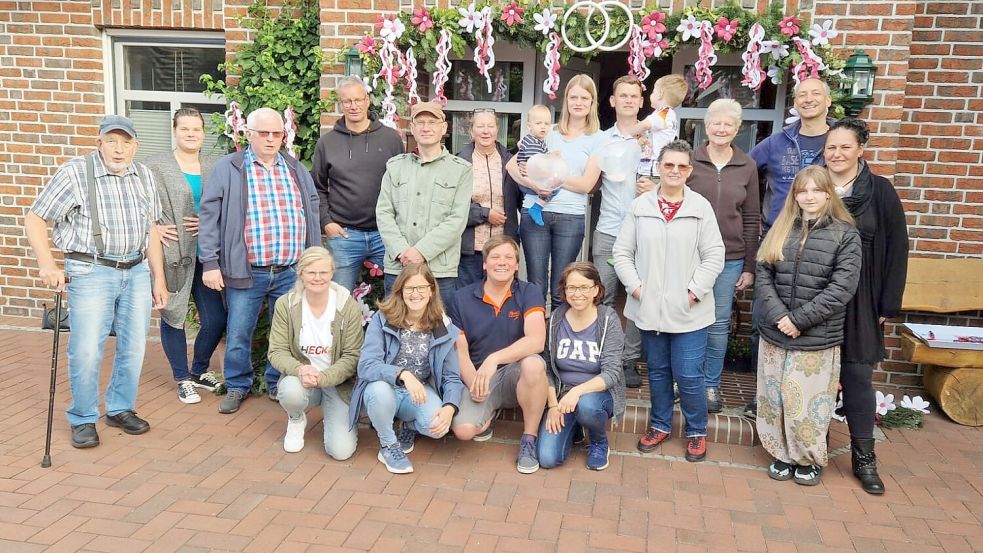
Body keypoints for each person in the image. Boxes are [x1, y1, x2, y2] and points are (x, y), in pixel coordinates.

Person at [24, 114, 168, 448]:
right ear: (99, 142)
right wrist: (47, 264)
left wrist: (158, 278)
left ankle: (119, 409)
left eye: (126, 142)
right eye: (112, 141)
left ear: (136, 145)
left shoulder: (144, 176)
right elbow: (35, 218)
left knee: (133, 346)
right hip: (90, 271)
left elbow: (152, 232)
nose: (119, 150)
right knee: (87, 349)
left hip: (136, 271)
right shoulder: (75, 173)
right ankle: (84, 417)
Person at [198, 107, 322, 414]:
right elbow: (209, 216)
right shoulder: (230, 168)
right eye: (263, 133)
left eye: (276, 133)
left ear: (284, 135)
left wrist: (313, 260)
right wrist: (210, 263)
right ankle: (238, 385)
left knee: (287, 333)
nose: (270, 139)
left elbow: (313, 213)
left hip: (290, 272)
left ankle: (277, 382)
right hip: (246, 271)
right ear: (248, 134)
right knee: (240, 330)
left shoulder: (294, 169)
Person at [613, 140, 724, 462]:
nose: (675, 171)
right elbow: (622, 252)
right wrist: (635, 288)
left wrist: (695, 291)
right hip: (649, 307)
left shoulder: (700, 207)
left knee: (689, 373)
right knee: (659, 371)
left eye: (682, 166)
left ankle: (696, 431)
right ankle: (660, 425)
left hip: (690, 310)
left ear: (689, 171)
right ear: (659, 168)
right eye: (669, 165)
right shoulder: (640, 206)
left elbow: (714, 254)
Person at [754, 165, 861, 486]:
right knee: (775, 399)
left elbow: (842, 287)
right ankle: (781, 453)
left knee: (807, 402)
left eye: (817, 190)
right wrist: (779, 316)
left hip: (816, 336)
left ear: (829, 193)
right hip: (776, 333)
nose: (809, 196)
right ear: (795, 195)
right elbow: (763, 274)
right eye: (803, 190)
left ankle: (808, 457)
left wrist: (799, 320)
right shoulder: (780, 228)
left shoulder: (845, 234)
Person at [825, 118, 909, 495]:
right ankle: (809, 446)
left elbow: (897, 248)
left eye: (845, 147)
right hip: (817, 294)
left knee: (857, 376)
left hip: (862, 298)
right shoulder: (815, 186)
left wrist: (887, 303)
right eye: (831, 147)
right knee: (813, 374)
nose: (837, 154)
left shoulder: (880, 191)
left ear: (861, 150)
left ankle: (864, 457)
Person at [745, 77, 834, 419]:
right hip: (778, 238)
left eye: (815, 94)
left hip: (822, 239)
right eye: (802, 95)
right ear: (794, 103)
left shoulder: (836, 142)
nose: (808, 100)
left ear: (827, 100)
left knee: (813, 320)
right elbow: (745, 173)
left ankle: (807, 399)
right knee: (764, 320)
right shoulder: (777, 142)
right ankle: (762, 397)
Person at [564, 75, 656, 388]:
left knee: (636, 297)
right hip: (608, 229)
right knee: (600, 294)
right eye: (623, 96)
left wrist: (656, 186)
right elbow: (583, 175)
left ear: (641, 102)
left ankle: (628, 360)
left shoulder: (657, 136)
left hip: (647, 231)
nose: (629, 100)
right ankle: (598, 354)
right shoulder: (601, 140)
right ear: (612, 102)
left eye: (634, 96)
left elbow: (677, 176)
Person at [348, 263, 464, 474]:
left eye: (421, 287)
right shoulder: (383, 319)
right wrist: (402, 374)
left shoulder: (441, 327)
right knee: (378, 390)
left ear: (431, 291)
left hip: (418, 393)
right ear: (400, 291)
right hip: (385, 389)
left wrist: (450, 407)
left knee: (437, 428)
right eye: (409, 288)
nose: (415, 293)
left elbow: (452, 377)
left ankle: (408, 426)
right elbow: (366, 366)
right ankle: (388, 445)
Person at [448, 235, 549, 474]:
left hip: (516, 373)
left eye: (508, 258)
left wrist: (494, 359)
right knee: (463, 431)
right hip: (480, 375)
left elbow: (536, 340)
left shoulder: (529, 292)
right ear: (484, 264)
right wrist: (474, 383)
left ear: (516, 265)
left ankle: (529, 438)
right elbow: (460, 351)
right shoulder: (461, 297)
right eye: (495, 257)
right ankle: (490, 411)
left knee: (534, 365)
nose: (501, 262)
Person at [145, 107, 225, 404]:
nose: (191, 134)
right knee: (173, 314)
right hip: (172, 252)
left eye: (196, 129)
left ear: (204, 133)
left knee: (215, 318)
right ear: (175, 131)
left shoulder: (214, 166)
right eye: (184, 129)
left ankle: (199, 369)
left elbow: (225, 207)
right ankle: (181, 377)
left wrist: (208, 222)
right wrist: (152, 228)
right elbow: (141, 206)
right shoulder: (155, 166)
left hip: (205, 253)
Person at [507, 75, 605, 309]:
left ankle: (557, 341)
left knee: (564, 287)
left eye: (584, 97)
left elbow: (585, 185)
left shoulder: (599, 139)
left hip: (571, 217)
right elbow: (512, 166)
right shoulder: (545, 130)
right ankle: (536, 343)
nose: (578, 102)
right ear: (566, 100)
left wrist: (551, 175)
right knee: (535, 285)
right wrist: (535, 185)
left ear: (592, 102)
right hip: (535, 213)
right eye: (573, 97)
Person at [687, 99, 761, 413]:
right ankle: (686, 380)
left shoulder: (747, 166)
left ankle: (710, 386)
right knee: (687, 320)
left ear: (737, 128)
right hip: (689, 254)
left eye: (728, 124)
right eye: (716, 122)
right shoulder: (690, 160)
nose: (721, 128)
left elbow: (751, 216)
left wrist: (748, 264)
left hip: (730, 257)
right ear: (706, 126)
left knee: (717, 324)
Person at [311, 76, 404, 292]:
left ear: (368, 100)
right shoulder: (327, 143)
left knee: (398, 296)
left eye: (358, 100)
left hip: (386, 234)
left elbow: (403, 184)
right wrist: (326, 222)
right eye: (347, 101)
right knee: (339, 300)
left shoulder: (391, 139)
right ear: (340, 104)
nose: (353, 106)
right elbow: (317, 187)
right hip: (345, 235)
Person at [268, 247, 362, 459]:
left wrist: (325, 377)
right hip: (302, 379)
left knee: (341, 452)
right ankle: (295, 418)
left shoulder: (347, 305)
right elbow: (277, 351)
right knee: (289, 391)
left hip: (337, 383)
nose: (317, 278)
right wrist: (300, 370)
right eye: (311, 272)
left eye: (323, 272)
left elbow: (352, 355)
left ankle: (338, 415)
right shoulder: (286, 304)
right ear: (300, 273)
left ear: (332, 273)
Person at [376, 101, 473, 308]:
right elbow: (384, 212)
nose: (426, 127)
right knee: (395, 326)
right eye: (420, 122)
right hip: (398, 266)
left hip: (439, 269)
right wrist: (402, 250)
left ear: (444, 128)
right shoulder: (395, 167)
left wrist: (421, 251)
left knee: (439, 328)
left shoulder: (461, 170)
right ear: (412, 128)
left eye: (432, 122)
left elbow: (456, 220)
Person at [538, 262, 626, 471]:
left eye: (584, 287)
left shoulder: (608, 320)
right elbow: (548, 367)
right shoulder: (556, 319)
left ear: (596, 289)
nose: (577, 293)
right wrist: (552, 406)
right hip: (563, 395)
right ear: (564, 290)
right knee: (547, 458)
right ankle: (575, 427)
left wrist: (576, 392)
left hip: (598, 395)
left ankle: (598, 443)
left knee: (587, 406)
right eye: (572, 288)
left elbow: (612, 373)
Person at [455, 109, 520, 288]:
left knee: (504, 297)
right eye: (480, 126)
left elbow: (523, 199)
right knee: (469, 296)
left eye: (490, 126)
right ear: (472, 131)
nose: (485, 131)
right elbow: (452, 207)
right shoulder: (459, 162)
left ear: (497, 130)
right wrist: (484, 213)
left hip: (503, 247)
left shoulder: (510, 161)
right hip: (471, 249)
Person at [626, 74, 687, 177]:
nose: (651, 94)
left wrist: (628, 133)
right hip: (652, 168)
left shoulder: (664, 113)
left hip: (653, 171)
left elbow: (645, 124)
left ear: (660, 94)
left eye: (654, 91)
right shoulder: (666, 114)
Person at [518, 104, 554, 226]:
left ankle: (522, 227)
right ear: (529, 126)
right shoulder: (532, 142)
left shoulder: (536, 140)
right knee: (555, 187)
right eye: (538, 123)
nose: (543, 127)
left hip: (529, 177)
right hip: (528, 179)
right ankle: (537, 208)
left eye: (546, 124)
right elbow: (537, 163)